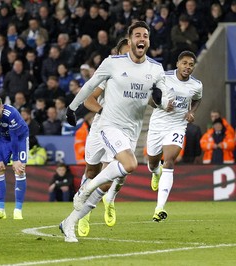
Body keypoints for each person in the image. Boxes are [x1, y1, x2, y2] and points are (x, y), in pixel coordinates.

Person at [61, 21, 174, 243]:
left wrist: (163, 101)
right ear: (130, 40)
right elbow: (90, 86)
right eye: (138, 35)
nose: (142, 39)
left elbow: (165, 96)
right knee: (128, 165)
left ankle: (70, 222)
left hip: (132, 130)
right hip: (109, 124)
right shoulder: (112, 63)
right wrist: (72, 107)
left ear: (148, 41)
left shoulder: (155, 69)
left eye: (146, 35)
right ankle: (86, 188)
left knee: (106, 183)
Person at [76, 38, 130, 237]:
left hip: (120, 130)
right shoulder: (108, 75)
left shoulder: (141, 78)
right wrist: (102, 110)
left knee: (110, 176)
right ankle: (86, 210)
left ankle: (105, 202)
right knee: (91, 171)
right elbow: (88, 100)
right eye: (124, 53)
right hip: (100, 128)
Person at [147, 50, 202, 222]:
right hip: (157, 125)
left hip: (177, 126)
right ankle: (156, 173)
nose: (188, 67)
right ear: (178, 63)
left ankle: (159, 208)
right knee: (152, 163)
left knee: (169, 159)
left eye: (191, 64)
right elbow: (149, 99)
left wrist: (191, 112)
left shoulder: (196, 85)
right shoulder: (163, 77)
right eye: (185, 63)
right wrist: (162, 104)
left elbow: (198, 99)